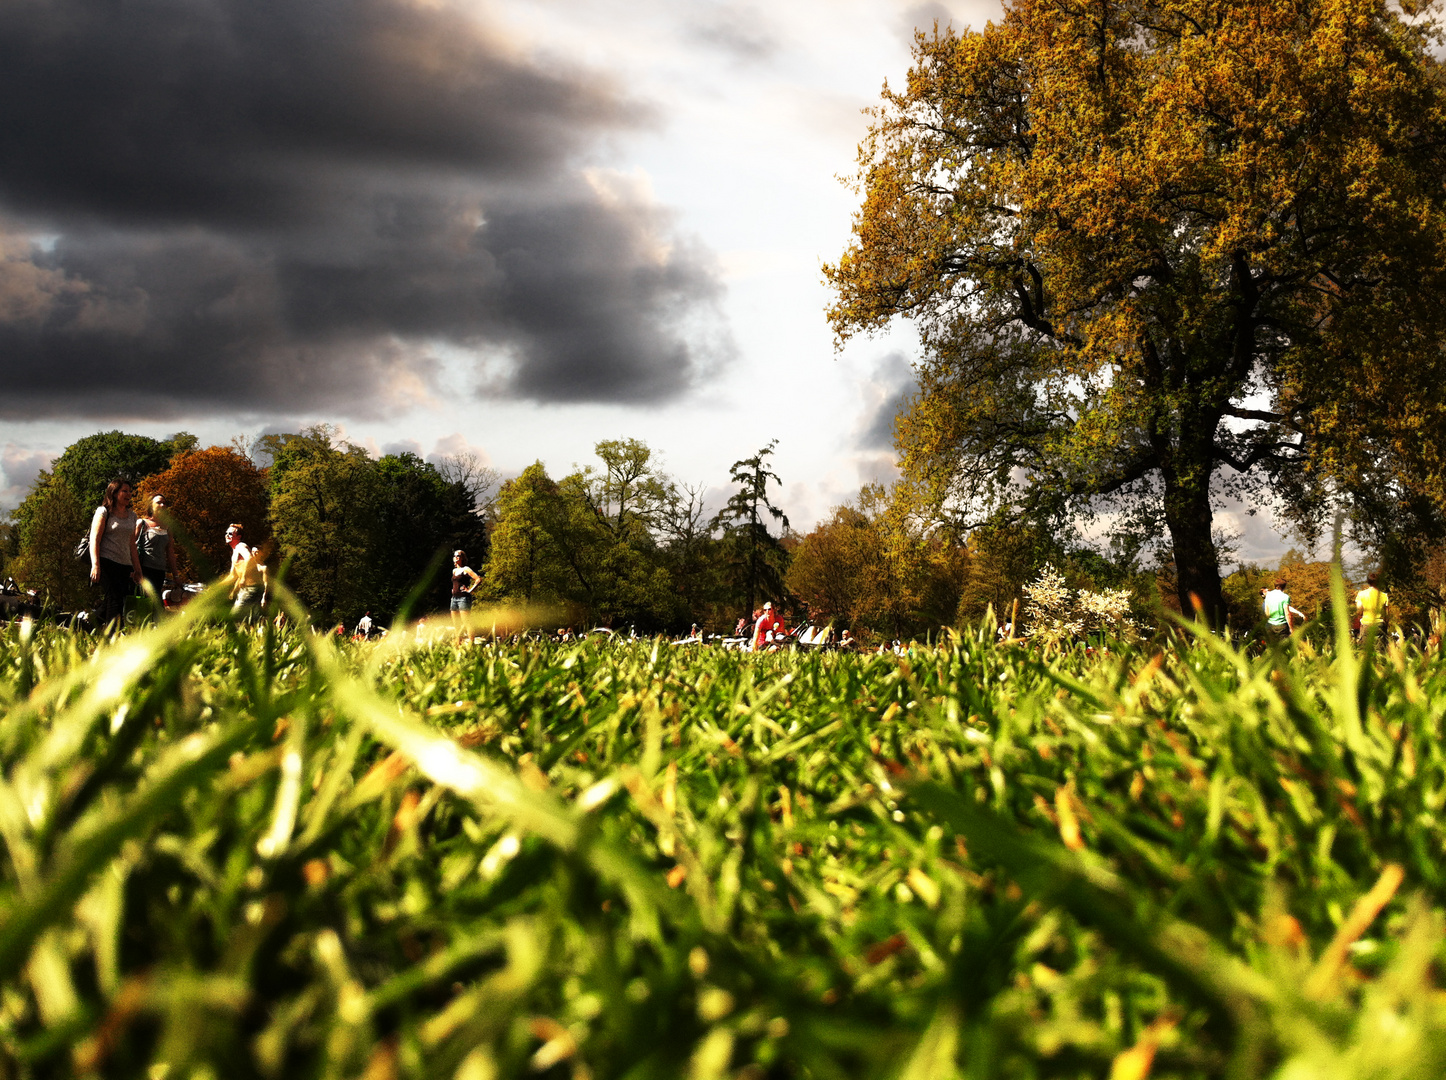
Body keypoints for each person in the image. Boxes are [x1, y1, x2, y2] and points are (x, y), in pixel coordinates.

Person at [89, 478, 143, 627]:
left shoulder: (132, 516)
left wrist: (138, 569)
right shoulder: (104, 512)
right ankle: (114, 636)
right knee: (114, 599)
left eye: (130, 491)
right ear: (114, 492)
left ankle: (84, 626)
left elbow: (132, 544)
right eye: (124, 491)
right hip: (107, 562)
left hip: (125, 564)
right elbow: (94, 540)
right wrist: (95, 565)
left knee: (113, 601)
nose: (128, 494)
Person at [135, 494, 181, 608]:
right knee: (150, 602)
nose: (162, 505)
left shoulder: (167, 527)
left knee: (155, 602)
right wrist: (134, 569)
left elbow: (170, 552)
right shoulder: (142, 523)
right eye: (159, 503)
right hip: (144, 569)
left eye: (164, 503)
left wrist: (176, 576)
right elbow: (131, 546)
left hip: (160, 571)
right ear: (151, 506)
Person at [225, 523, 267, 619]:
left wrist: (243, 577)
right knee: (250, 620)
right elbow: (232, 576)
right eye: (226, 533)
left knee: (234, 618)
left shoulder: (241, 546)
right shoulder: (235, 553)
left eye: (230, 534)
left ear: (238, 537)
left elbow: (250, 558)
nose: (227, 535)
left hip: (250, 588)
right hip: (250, 589)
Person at [450, 550, 481, 638]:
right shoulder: (454, 570)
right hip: (454, 598)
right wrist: (453, 589)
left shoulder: (466, 569)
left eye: (458, 556)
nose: (456, 557)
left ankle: (471, 645)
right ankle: (458, 645)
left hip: (463, 599)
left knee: (466, 622)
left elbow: (478, 579)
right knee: (456, 625)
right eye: (454, 555)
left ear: (462, 558)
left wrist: (470, 590)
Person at [1356, 571, 1389, 640]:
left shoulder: (1361, 594)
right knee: (1380, 649)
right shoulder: (1384, 595)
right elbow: (1386, 615)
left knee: (1365, 649)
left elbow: (1359, 611)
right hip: (1379, 624)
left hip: (1366, 624)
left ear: (1368, 581)